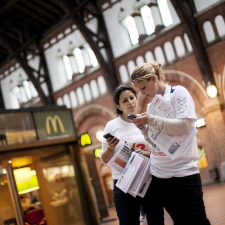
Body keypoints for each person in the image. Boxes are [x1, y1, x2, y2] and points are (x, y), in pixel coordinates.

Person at [130, 62, 211, 225]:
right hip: (160, 174)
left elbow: (183, 126)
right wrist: (144, 129)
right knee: (179, 221)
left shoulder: (178, 93)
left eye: (143, 88)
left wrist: (150, 119)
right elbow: (155, 142)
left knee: (198, 220)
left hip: (185, 171)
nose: (143, 94)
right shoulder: (152, 106)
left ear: (153, 79)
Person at [100, 84, 164, 225]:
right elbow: (104, 159)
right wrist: (110, 149)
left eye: (132, 97)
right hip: (123, 184)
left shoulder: (147, 120)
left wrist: (147, 153)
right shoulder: (111, 126)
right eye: (125, 100)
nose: (130, 102)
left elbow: (160, 149)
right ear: (118, 106)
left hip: (149, 180)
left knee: (157, 221)